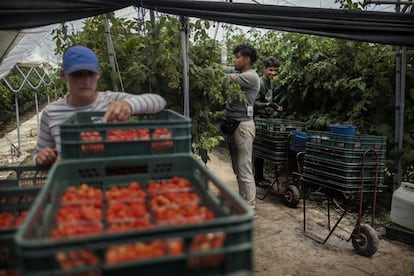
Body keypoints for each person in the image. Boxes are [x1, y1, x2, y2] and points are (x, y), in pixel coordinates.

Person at [34, 45, 167, 166]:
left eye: (90, 74)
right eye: (77, 74)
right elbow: (38, 155)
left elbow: (158, 101)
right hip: (75, 182)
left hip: (115, 174)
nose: (85, 81)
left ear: (98, 75)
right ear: (63, 75)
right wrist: (42, 158)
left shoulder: (111, 100)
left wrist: (128, 104)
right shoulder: (51, 113)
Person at [222, 44, 260, 212]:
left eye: (237, 57)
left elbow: (222, 77)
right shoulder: (239, 72)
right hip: (233, 124)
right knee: (238, 167)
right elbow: (223, 69)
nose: (234, 60)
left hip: (243, 126)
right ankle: (243, 203)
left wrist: (214, 71)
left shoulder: (251, 77)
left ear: (247, 59)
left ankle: (250, 208)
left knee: (244, 167)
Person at [253, 56, 283, 187]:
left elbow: (267, 100)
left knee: (264, 148)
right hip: (258, 119)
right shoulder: (259, 83)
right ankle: (257, 177)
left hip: (267, 119)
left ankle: (259, 176)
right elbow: (253, 103)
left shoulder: (271, 82)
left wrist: (274, 105)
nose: (273, 73)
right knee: (259, 149)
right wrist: (268, 105)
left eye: (275, 70)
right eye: (270, 70)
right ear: (264, 69)